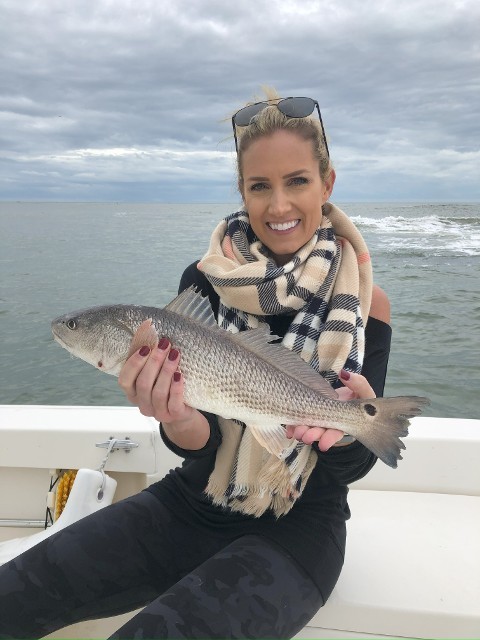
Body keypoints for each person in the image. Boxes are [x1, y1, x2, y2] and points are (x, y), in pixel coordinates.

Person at [0, 90, 391, 639]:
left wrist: (349, 428)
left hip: (299, 530)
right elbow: (198, 440)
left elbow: (351, 469)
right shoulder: (204, 279)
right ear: (242, 191)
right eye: (260, 186)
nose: (278, 206)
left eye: (297, 181)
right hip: (194, 500)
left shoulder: (366, 299)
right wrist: (174, 415)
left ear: (327, 184)